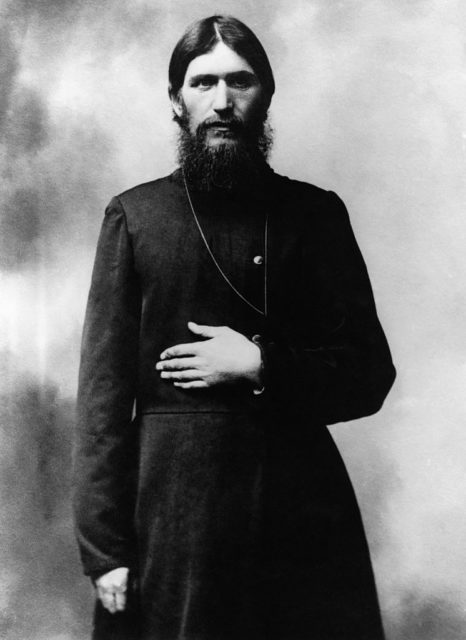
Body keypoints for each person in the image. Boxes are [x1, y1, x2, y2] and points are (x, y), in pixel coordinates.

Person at [73, 15, 396, 640]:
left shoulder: (316, 215)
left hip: (299, 510)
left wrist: (260, 365)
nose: (222, 102)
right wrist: (105, 548)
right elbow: (102, 402)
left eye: (240, 82)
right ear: (176, 101)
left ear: (266, 95)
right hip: (173, 511)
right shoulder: (135, 216)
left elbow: (368, 375)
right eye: (203, 83)